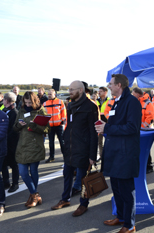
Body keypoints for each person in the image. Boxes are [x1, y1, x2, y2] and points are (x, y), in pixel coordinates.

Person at [95, 74, 141, 233]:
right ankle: (121, 217)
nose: (108, 86)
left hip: (125, 155)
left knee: (127, 191)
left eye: (111, 84)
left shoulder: (132, 102)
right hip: (115, 154)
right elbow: (118, 124)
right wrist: (104, 124)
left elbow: (132, 128)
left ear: (119, 85)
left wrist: (106, 128)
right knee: (117, 189)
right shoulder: (117, 102)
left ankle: (129, 225)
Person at [51, 81, 98, 217]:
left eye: (72, 90)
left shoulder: (91, 107)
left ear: (81, 90)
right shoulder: (70, 105)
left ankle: (83, 204)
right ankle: (65, 199)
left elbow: (93, 132)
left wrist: (92, 155)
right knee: (67, 175)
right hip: (70, 149)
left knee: (83, 179)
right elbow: (69, 126)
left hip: (83, 150)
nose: (69, 92)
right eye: (69, 89)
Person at [14, 91, 49, 208]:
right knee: (23, 173)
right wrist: (19, 125)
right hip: (23, 145)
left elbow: (46, 129)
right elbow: (14, 127)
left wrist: (34, 126)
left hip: (35, 146)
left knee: (33, 171)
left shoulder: (41, 111)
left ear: (35, 101)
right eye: (26, 102)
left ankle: (32, 195)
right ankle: (35, 194)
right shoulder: (21, 110)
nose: (27, 104)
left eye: (30, 102)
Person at [132, 87, 154, 174]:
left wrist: (141, 127)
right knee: (139, 149)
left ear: (138, 94)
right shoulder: (137, 102)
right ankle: (143, 166)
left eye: (133, 94)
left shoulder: (147, 103)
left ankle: (149, 166)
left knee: (145, 149)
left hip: (144, 130)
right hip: (138, 130)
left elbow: (149, 117)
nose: (133, 96)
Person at [1, 92, 20, 193]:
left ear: (7, 101)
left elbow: (13, 130)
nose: (2, 101)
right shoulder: (5, 111)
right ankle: (6, 181)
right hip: (4, 142)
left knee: (13, 164)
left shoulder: (14, 113)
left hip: (12, 143)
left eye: (3, 99)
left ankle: (15, 183)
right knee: (3, 163)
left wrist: (5, 138)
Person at [43, 89, 66, 163]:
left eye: (50, 94)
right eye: (48, 94)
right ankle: (51, 156)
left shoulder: (60, 102)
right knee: (51, 142)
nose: (49, 95)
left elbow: (63, 111)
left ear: (54, 94)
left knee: (62, 142)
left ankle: (65, 156)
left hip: (59, 125)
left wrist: (63, 120)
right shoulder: (45, 103)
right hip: (50, 126)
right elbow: (43, 115)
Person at [96, 86, 110, 159]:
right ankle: (102, 156)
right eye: (99, 91)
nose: (99, 92)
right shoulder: (96, 101)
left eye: (100, 91)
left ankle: (107, 156)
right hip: (99, 124)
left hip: (107, 123)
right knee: (99, 142)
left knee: (108, 141)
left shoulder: (109, 101)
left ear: (105, 92)